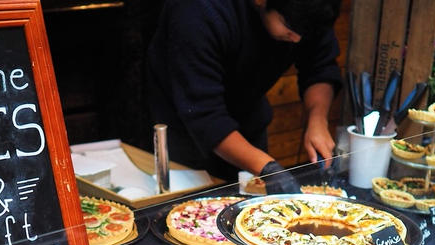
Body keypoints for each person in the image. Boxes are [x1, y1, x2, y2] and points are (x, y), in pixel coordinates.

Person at [145, 0, 342, 192]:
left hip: (247, 121)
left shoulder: (310, 11)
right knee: (193, 216)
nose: (297, 39)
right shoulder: (197, 10)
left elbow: (320, 66)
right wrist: (268, 168)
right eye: (289, 27)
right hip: (181, 132)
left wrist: (318, 120)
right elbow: (204, 113)